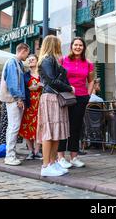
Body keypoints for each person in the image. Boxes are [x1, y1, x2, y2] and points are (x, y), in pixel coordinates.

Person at [37, 35, 75, 177]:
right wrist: (69, 88)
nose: (60, 46)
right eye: (58, 44)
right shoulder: (48, 59)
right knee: (49, 132)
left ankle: (52, 163)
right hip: (51, 97)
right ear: (54, 44)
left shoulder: (52, 59)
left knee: (55, 132)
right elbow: (52, 81)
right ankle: (46, 165)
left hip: (55, 98)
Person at [57, 37, 95, 169]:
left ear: (84, 48)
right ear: (71, 46)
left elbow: (91, 81)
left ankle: (74, 157)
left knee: (76, 127)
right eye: (75, 45)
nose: (78, 47)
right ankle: (60, 157)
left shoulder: (88, 63)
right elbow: (58, 79)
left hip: (81, 98)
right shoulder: (63, 60)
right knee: (63, 126)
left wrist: (88, 95)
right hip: (66, 97)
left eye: (80, 45)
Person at [0, 43, 30, 166]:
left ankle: (10, 153)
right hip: (13, 99)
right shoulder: (13, 62)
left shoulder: (17, 63)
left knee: (12, 127)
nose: (27, 56)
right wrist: (19, 98)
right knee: (14, 127)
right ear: (23, 50)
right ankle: (10, 155)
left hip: (14, 99)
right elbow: (12, 83)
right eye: (27, 53)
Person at [20, 54, 43, 160]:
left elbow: (48, 85)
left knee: (39, 127)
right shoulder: (25, 75)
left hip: (41, 103)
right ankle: (30, 151)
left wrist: (41, 86)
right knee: (27, 127)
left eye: (33, 59)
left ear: (37, 61)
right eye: (29, 60)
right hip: (29, 104)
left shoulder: (42, 74)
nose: (30, 61)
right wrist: (32, 87)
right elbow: (23, 89)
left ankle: (37, 151)